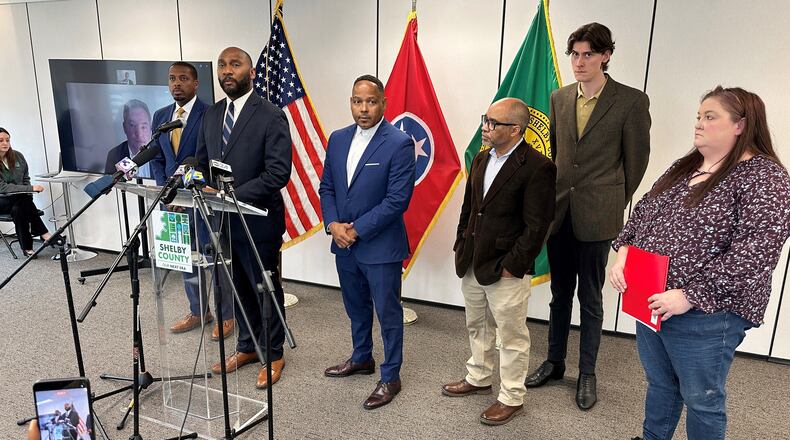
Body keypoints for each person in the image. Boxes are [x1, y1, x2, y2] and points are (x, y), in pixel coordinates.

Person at [611, 87, 790, 440]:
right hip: (650, 298)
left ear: (740, 125)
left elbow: (756, 251)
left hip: (708, 313)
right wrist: (624, 255)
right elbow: (644, 211)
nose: (699, 124)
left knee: (701, 399)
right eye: (698, 116)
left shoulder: (764, 177)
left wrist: (691, 295)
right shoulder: (686, 164)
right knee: (660, 384)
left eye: (710, 117)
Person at [525, 22, 651, 410]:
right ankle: (555, 362)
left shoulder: (630, 101)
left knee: (591, 299)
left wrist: (612, 200)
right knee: (559, 295)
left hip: (599, 216)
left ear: (606, 56)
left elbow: (637, 162)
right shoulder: (559, 97)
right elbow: (557, 155)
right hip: (560, 212)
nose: (580, 62)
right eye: (575, 55)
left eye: (588, 55)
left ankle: (588, 374)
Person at [442, 98, 556, 425]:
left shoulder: (538, 167)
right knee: (477, 324)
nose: (486, 127)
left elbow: (538, 226)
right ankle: (478, 377)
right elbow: (470, 207)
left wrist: (513, 264)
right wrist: (462, 241)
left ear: (516, 129)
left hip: (506, 267)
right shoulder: (480, 159)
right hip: (472, 260)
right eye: (486, 120)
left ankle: (511, 397)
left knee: (511, 335)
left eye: (493, 123)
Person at [197, 47, 292, 390]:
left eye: (235, 65)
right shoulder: (211, 115)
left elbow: (278, 173)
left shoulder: (270, 114)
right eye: (222, 64)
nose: (227, 71)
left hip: (258, 222)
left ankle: (274, 352)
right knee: (236, 288)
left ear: (251, 72)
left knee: (263, 287)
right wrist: (194, 179)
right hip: (222, 222)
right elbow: (202, 160)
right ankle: (247, 347)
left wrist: (231, 195)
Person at [319, 74, 415, 410]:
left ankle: (391, 376)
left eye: (371, 101)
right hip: (343, 244)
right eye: (357, 101)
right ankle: (361, 358)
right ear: (350, 102)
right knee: (355, 307)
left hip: (379, 246)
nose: (363, 108)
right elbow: (327, 187)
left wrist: (355, 229)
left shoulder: (399, 142)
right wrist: (332, 224)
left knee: (388, 314)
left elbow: (397, 200)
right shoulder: (338, 138)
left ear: (383, 103)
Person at [150, 61, 235, 341]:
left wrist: (190, 192)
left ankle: (226, 315)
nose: (177, 83)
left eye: (183, 78)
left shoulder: (210, 113)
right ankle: (199, 311)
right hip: (171, 202)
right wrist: (168, 192)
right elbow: (158, 158)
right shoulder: (161, 115)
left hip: (202, 201)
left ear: (195, 83)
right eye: (172, 78)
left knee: (214, 260)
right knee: (184, 258)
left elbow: (213, 158)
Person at [0, 127, 52, 257]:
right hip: (2, 201)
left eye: (7, 140)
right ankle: (45, 234)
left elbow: (25, 179)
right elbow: (3, 188)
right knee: (22, 201)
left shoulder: (18, 156)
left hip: (20, 201)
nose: (5, 143)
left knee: (19, 209)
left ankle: (27, 248)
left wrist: (28, 194)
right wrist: (30, 190)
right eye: (0, 140)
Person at [104, 99, 153, 179]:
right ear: (125, 127)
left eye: (143, 127)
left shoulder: (161, 152)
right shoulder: (115, 155)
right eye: (132, 125)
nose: (139, 134)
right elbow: (111, 186)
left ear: (151, 127)